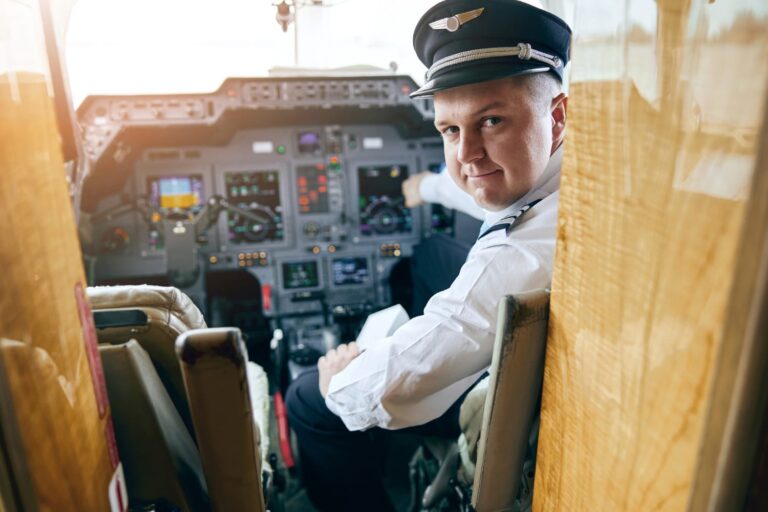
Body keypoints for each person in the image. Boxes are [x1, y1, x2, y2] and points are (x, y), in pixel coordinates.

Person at [285, 1, 571, 510]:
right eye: (450, 130)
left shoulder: (521, 251)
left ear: (557, 114)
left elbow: (388, 388)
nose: (466, 155)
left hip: (519, 396)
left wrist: (341, 379)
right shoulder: (568, 171)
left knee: (308, 398)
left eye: (492, 121)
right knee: (435, 251)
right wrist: (427, 186)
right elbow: (480, 182)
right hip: (532, 357)